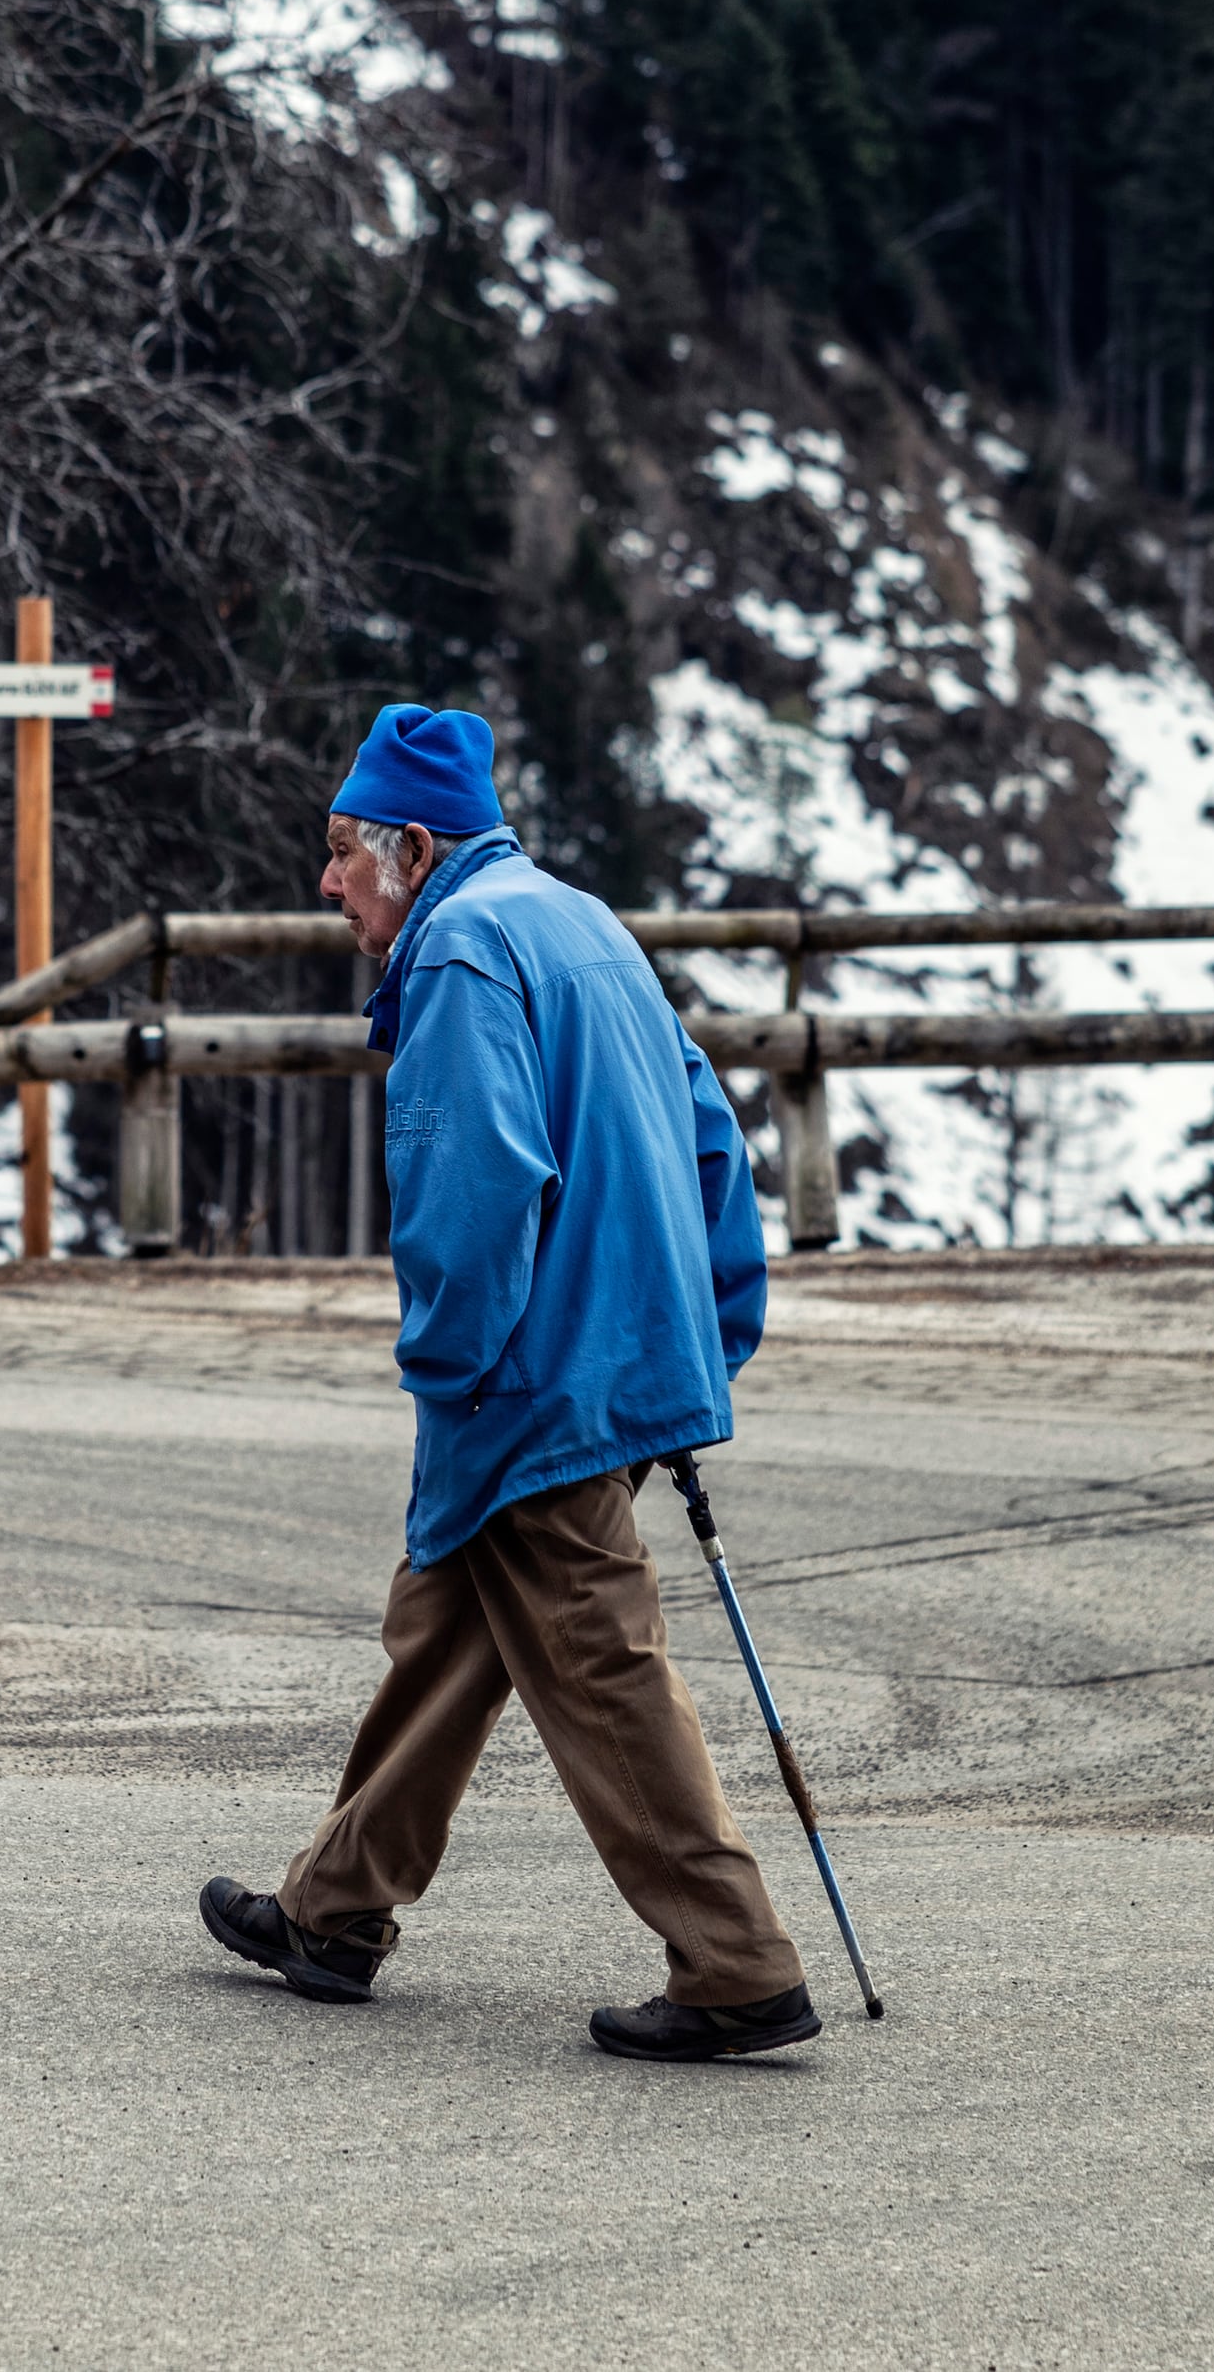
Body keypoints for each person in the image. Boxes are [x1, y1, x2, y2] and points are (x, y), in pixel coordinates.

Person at [196, 702, 821, 2060]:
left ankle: (735, 1961)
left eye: (345, 854)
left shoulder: (464, 953)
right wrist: (713, 1327)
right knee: (451, 1629)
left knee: (596, 1657)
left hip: (535, 1378)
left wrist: (448, 1367)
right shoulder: (580, 921)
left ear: (414, 849)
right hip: (622, 1354)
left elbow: (470, 1192)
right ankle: (333, 1909)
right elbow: (711, 1133)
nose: (328, 880)